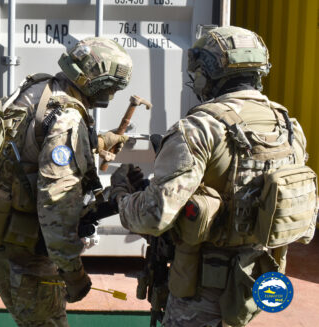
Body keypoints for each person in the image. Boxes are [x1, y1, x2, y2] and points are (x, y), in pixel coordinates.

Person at [110, 26, 317, 327]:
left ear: (208, 75)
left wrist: (121, 199)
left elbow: (153, 217)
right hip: (255, 285)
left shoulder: (199, 129)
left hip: (200, 294)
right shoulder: (289, 127)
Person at [0, 37, 132, 327]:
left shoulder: (37, 87)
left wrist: (95, 142)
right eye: (112, 85)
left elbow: (24, 150)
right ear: (97, 82)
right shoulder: (68, 120)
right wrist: (72, 272)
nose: (113, 93)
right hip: (13, 243)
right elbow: (56, 207)